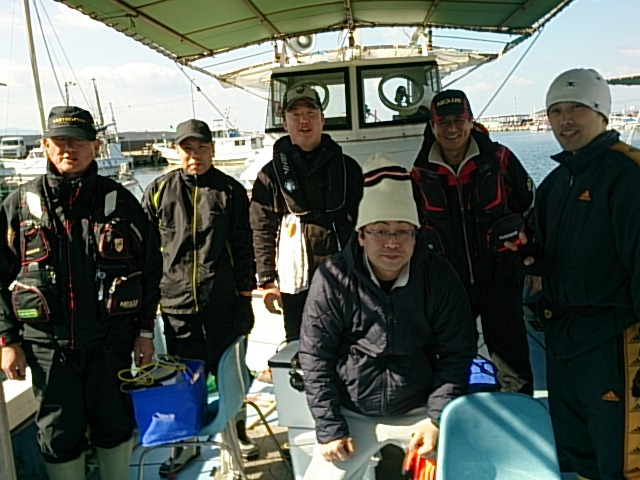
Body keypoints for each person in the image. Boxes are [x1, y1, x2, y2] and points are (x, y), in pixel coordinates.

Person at [0, 106, 162, 480]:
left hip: (111, 342)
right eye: (59, 141)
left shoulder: (121, 202)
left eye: (78, 141)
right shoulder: (19, 205)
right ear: (46, 146)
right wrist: (8, 340)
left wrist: (144, 332)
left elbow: (150, 270)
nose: (68, 149)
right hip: (47, 349)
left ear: (96, 146)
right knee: (58, 433)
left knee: (115, 424)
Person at [298, 154, 476, 479]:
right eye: (380, 230)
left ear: (416, 235)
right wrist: (329, 427)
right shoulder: (332, 278)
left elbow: (458, 350)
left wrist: (437, 418)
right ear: (361, 235)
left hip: (419, 409)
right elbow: (315, 356)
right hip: (352, 410)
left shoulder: (438, 276)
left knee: (464, 471)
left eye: (403, 231)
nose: (392, 242)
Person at [514, 68, 640, 480]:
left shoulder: (628, 174)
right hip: (564, 341)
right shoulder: (556, 183)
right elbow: (545, 249)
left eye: (577, 108)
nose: (565, 120)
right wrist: (528, 253)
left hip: (615, 342)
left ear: (602, 113)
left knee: (623, 459)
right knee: (578, 453)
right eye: (556, 111)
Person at [141, 118, 257, 476]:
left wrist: (245, 295)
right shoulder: (159, 190)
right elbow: (146, 252)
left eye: (202, 147)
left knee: (231, 375)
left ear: (212, 149)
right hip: (176, 305)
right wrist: (149, 300)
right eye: (187, 149)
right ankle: (185, 444)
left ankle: (237, 431)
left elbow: (244, 245)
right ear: (176, 152)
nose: (195, 156)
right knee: (185, 379)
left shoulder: (230, 191)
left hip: (223, 303)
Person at [411, 89, 535, 394]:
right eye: (444, 123)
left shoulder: (500, 159)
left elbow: (530, 207)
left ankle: (520, 411)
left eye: (458, 120)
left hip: (500, 275)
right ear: (433, 127)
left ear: (470, 122)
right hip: (449, 282)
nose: (452, 129)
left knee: (512, 360)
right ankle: (455, 413)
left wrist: (531, 261)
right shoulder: (420, 171)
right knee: (452, 358)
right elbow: (414, 225)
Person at [249, 85, 363, 342]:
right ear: (285, 123)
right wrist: (267, 281)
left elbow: (363, 224)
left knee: (346, 342)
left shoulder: (349, 169)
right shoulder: (269, 176)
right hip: (294, 281)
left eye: (311, 113)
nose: (304, 121)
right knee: (300, 344)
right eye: (296, 115)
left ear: (322, 120)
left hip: (342, 276)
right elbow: (262, 229)